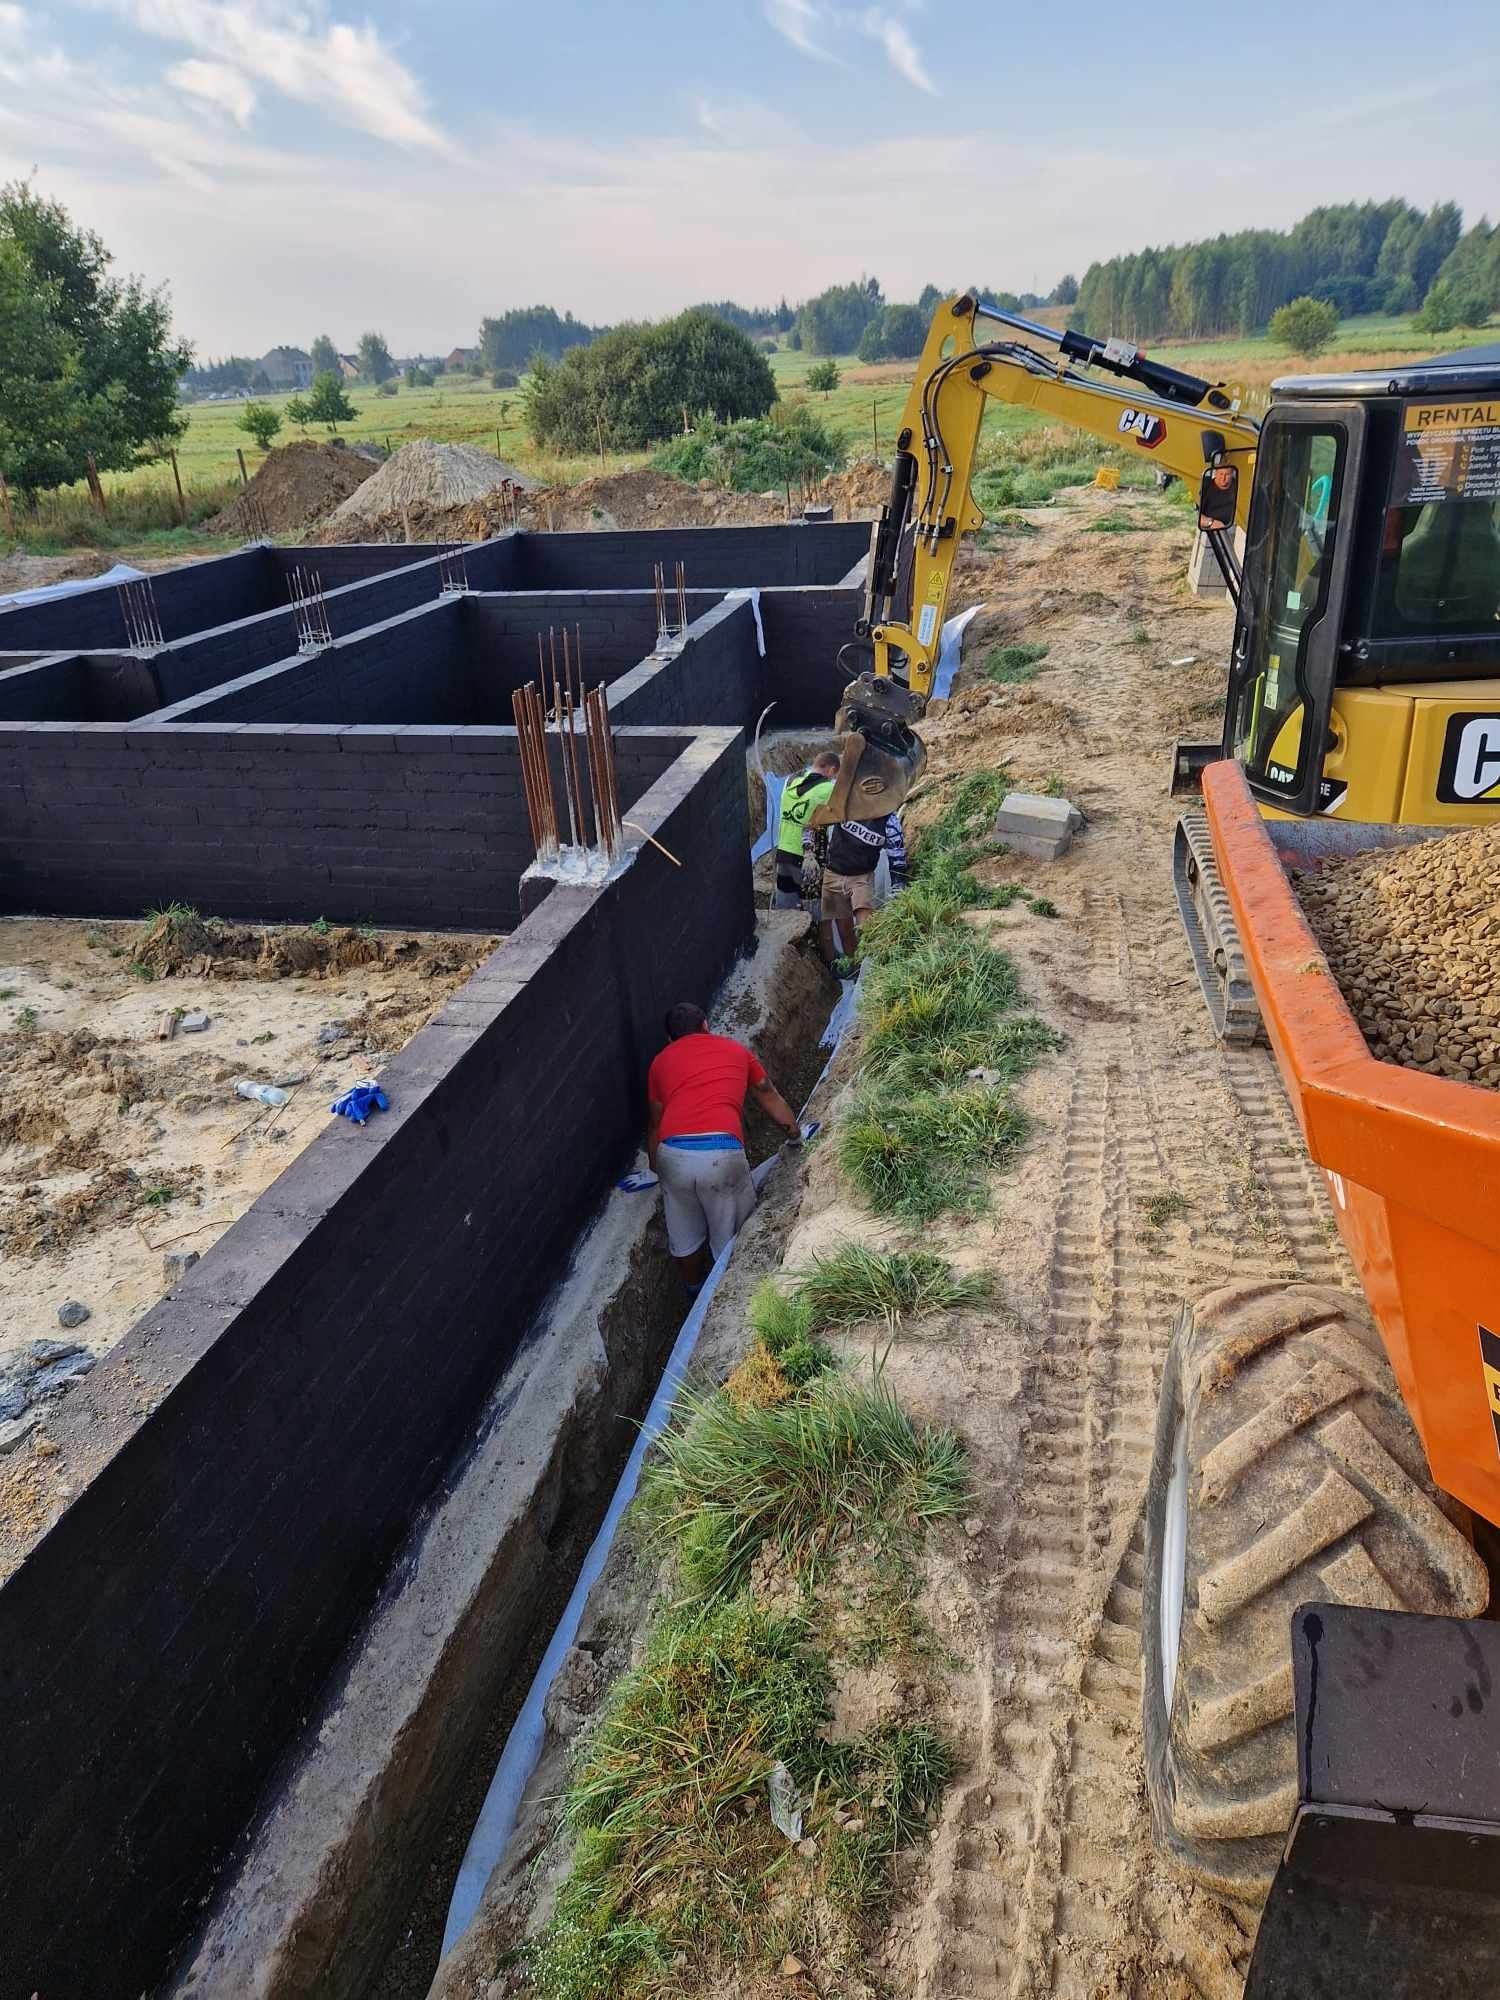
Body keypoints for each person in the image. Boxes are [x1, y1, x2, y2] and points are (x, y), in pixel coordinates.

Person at [646, 1002, 802, 1290]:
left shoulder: (660, 1062)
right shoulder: (734, 1050)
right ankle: (725, 1295)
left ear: (670, 1039)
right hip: (721, 1154)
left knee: (684, 1233)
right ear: (706, 1025)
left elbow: (657, 1121)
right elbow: (766, 1092)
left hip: (673, 1155)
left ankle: (694, 1292)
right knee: (731, 1236)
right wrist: (793, 1133)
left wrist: (656, 1166)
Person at [820, 810, 908, 962]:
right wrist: (809, 851)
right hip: (834, 874)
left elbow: (897, 856)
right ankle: (853, 968)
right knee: (844, 931)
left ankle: (870, 971)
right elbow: (815, 823)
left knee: (866, 929)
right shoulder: (845, 803)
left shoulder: (888, 820)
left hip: (862, 878)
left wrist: (897, 885)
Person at [772, 749, 841, 909]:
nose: (834, 779)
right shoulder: (828, 790)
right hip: (807, 858)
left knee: (785, 909)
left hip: (783, 852)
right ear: (831, 770)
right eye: (834, 775)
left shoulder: (790, 782)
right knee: (812, 908)